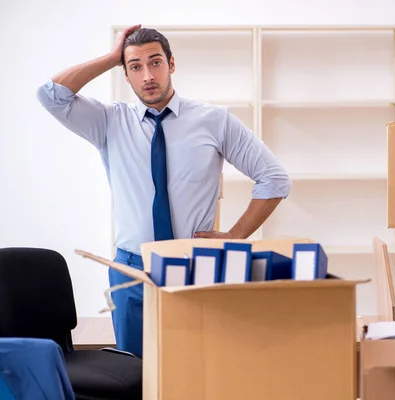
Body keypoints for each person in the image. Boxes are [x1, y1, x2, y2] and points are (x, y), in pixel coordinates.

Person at [36, 25, 291, 358]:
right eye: (135, 67)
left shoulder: (214, 120)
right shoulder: (109, 121)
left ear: (171, 64)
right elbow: (50, 94)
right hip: (131, 270)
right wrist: (113, 57)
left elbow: (274, 179)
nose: (148, 75)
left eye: (155, 62)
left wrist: (236, 235)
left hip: (195, 266)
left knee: (199, 370)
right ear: (125, 75)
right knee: (135, 377)